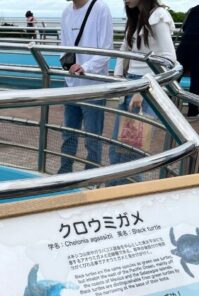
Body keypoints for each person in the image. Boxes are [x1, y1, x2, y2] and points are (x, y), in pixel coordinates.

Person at [109, 0, 176, 167]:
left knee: (132, 150)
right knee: (118, 146)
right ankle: (115, 189)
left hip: (144, 88)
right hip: (130, 84)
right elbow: (124, 49)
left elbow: (169, 59)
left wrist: (144, 87)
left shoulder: (158, 16)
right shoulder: (136, 17)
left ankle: (127, 190)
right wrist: (118, 78)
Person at [58, 0, 114, 174]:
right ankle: (65, 174)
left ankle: (91, 177)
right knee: (68, 133)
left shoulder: (100, 8)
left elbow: (107, 49)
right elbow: (64, 46)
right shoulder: (66, 12)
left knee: (92, 137)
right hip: (72, 84)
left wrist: (86, 67)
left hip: (94, 86)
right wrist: (68, 65)